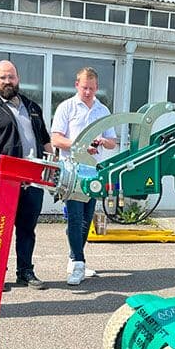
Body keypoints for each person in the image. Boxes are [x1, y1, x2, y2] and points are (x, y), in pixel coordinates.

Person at [0, 60, 53, 290]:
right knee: (0, 231)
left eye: (11, 77)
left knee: (27, 229)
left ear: (18, 79)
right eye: (3, 77)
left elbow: (45, 140)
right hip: (2, 182)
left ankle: (25, 272)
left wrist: (53, 169)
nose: (8, 81)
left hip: (32, 181)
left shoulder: (32, 107)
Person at [51, 67, 117, 286]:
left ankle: (74, 259)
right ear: (76, 85)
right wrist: (80, 145)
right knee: (75, 217)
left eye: (92, 88)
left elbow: (112, 142)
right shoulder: (66, 107)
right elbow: (56, 139)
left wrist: (102, 141)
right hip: (72, 171)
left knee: (87, 219)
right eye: (84, 88)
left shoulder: (102, 110)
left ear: (97, 87)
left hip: (94, 171)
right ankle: (78, 263)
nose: (88, 92)